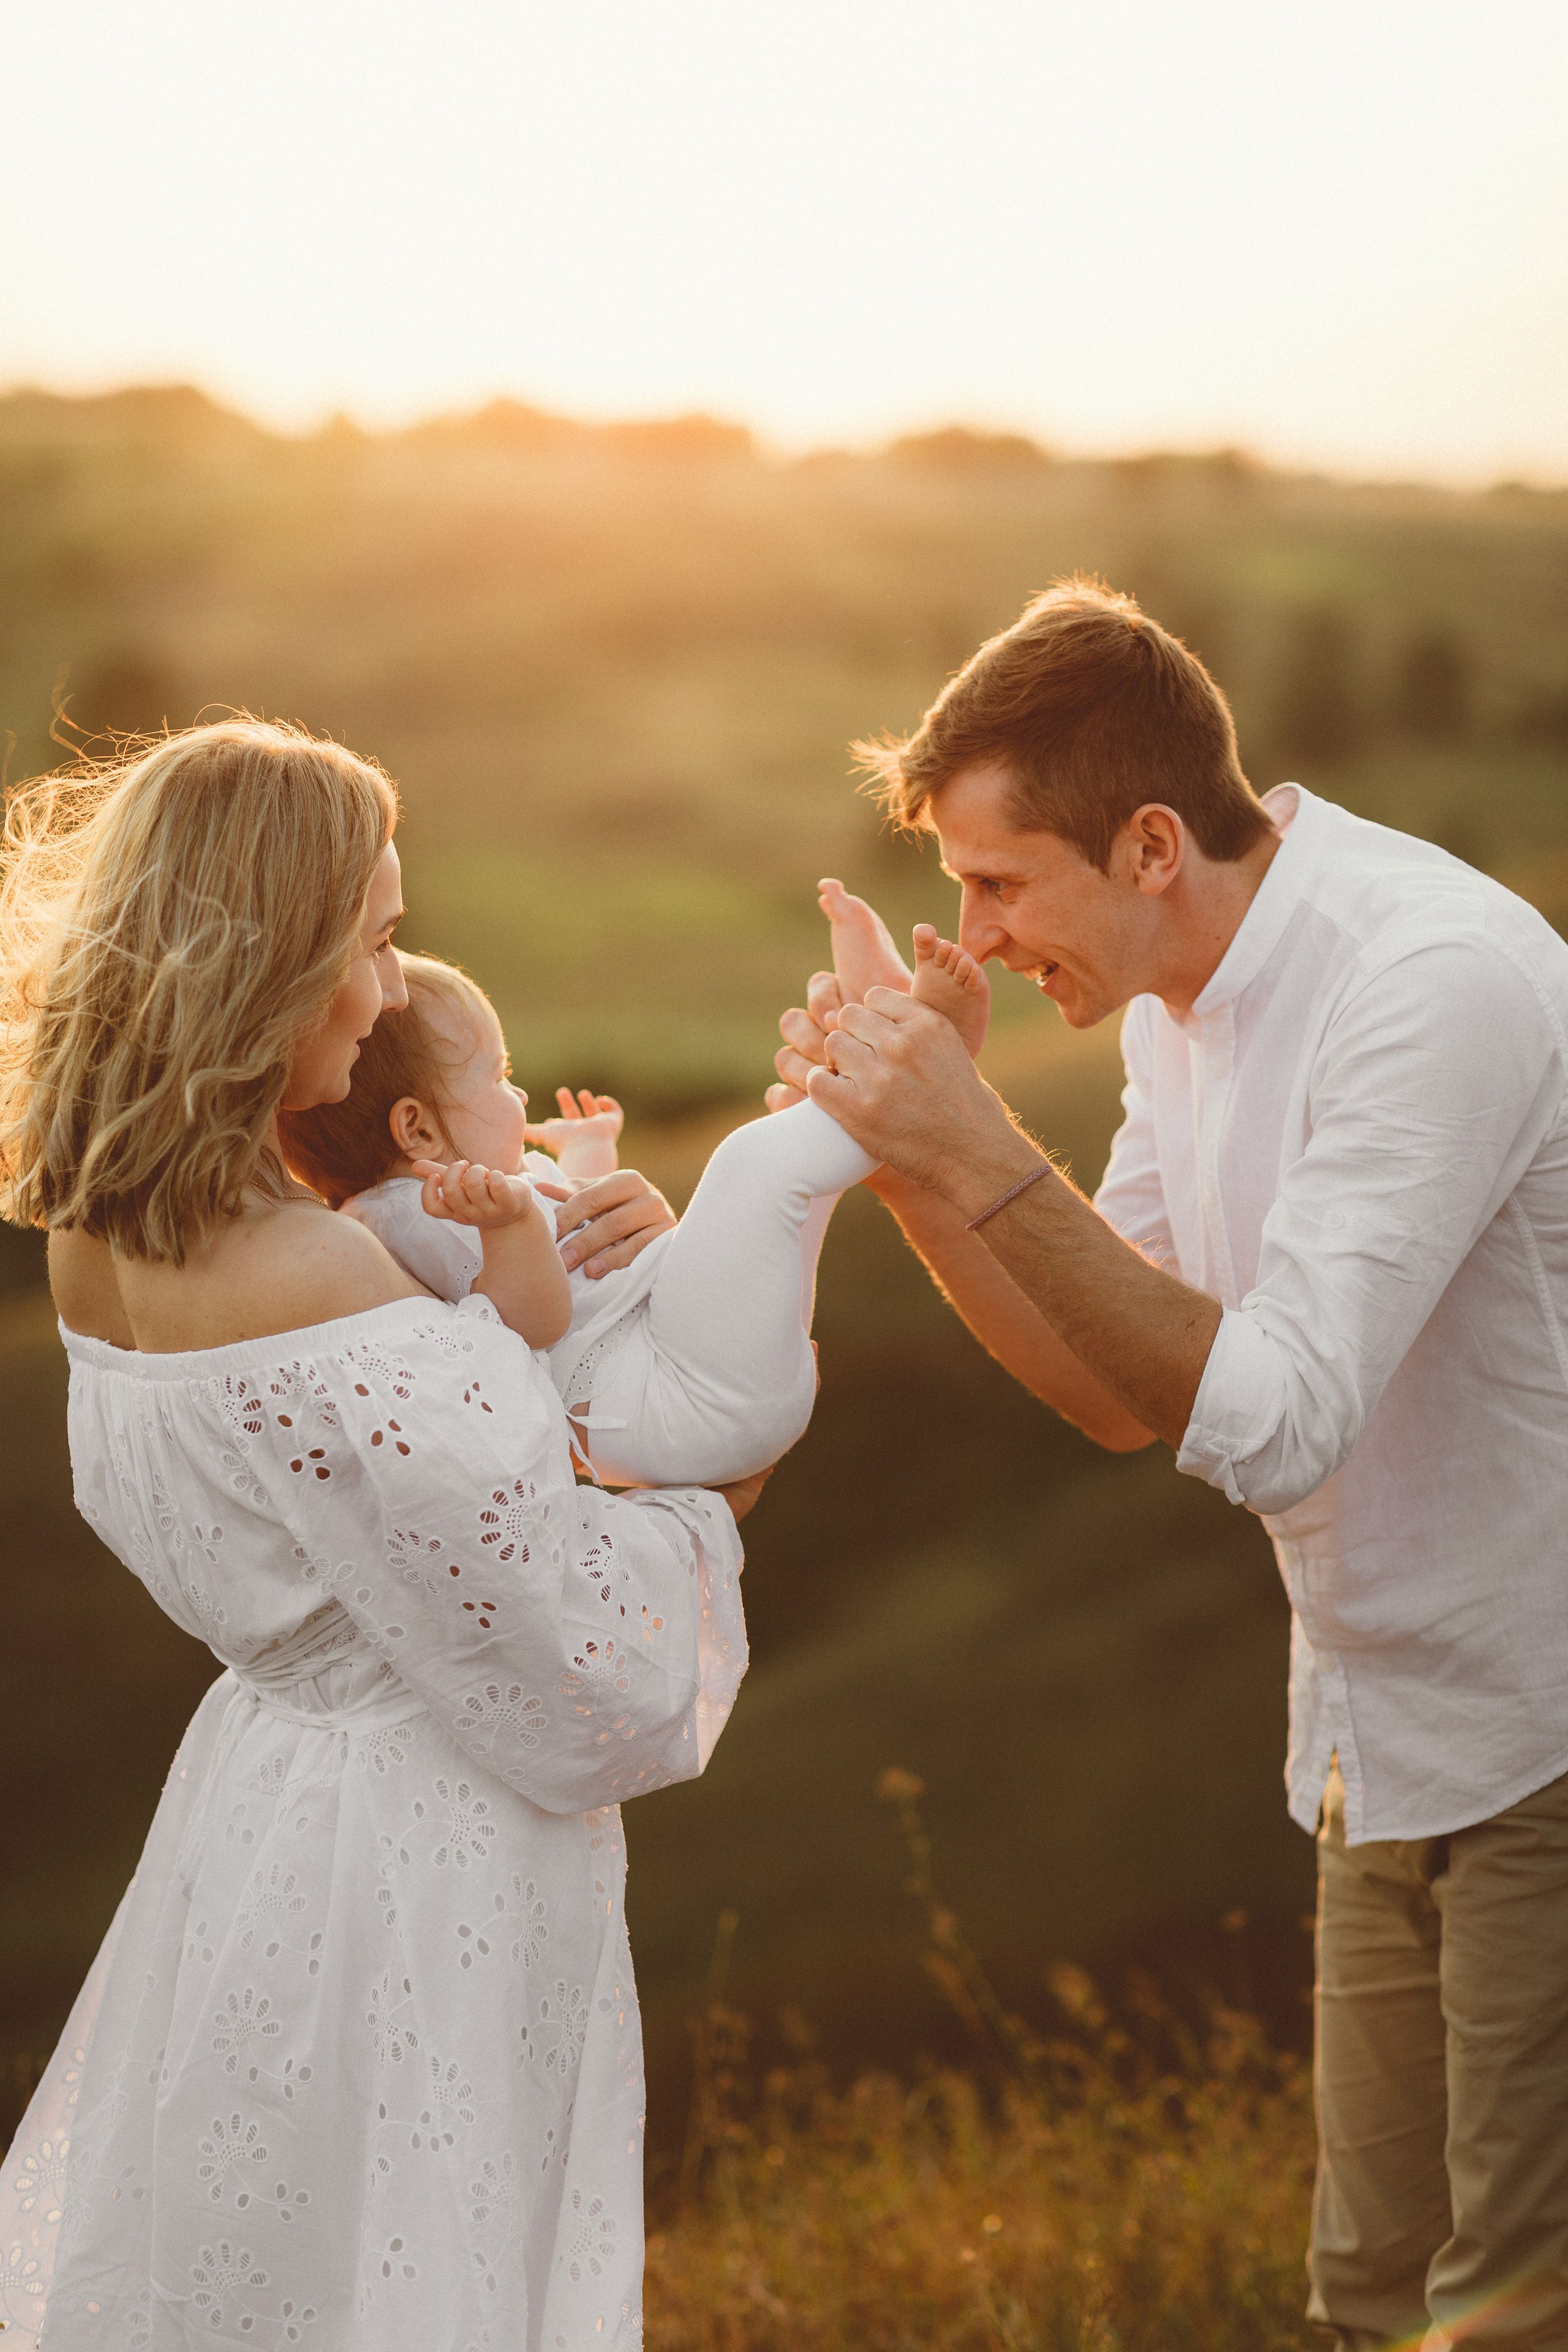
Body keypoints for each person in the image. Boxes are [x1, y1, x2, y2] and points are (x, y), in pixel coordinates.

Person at [771, 578, 1568, 2352]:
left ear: (1146, 843)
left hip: (1549, 1719)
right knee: (1372, 2302)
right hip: (1380, 1730)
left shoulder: (1429, 981)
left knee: (1509, 2312)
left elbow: (1277, 1408)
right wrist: (910, 1165)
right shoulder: (1173, 992)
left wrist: (972, 1139)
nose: (967, 939)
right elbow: (1122, 1381)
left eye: (997, 885)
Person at [0, 721, 764, 2351]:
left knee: (257, 2246)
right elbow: (581, 1648)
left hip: (252, 1808)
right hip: (433, 1844)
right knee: (425, 2266)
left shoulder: (93, 1239)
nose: (389, 989)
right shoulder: (333, 1287)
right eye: (374, 939)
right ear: (274, 960)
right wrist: (710, 1470)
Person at [274, 948, 912, 1488]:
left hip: (687, 1381)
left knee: (788, 1189)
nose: (519, 1096)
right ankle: (902, 1082)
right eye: (499, 1075)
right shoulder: (411, 1216)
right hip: (670, 1398)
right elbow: (533, 1322)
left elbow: (579, 1247)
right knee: (751, 1163)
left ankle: (868, 1067)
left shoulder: (470, 1196)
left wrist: (584, 1159)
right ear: (416, 1128)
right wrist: (512, 1225)